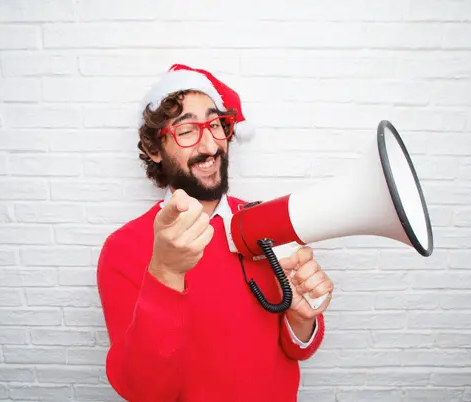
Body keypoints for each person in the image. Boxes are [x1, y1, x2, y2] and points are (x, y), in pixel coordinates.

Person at [97, 64, 334, 402]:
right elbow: (144, 391)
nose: (210, 145)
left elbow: (298, 350)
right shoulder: (123, 249)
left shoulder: (267, 220)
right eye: (188, 130)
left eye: (215, 125)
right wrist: (165, 272)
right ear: (154, 149)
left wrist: (300, 317)